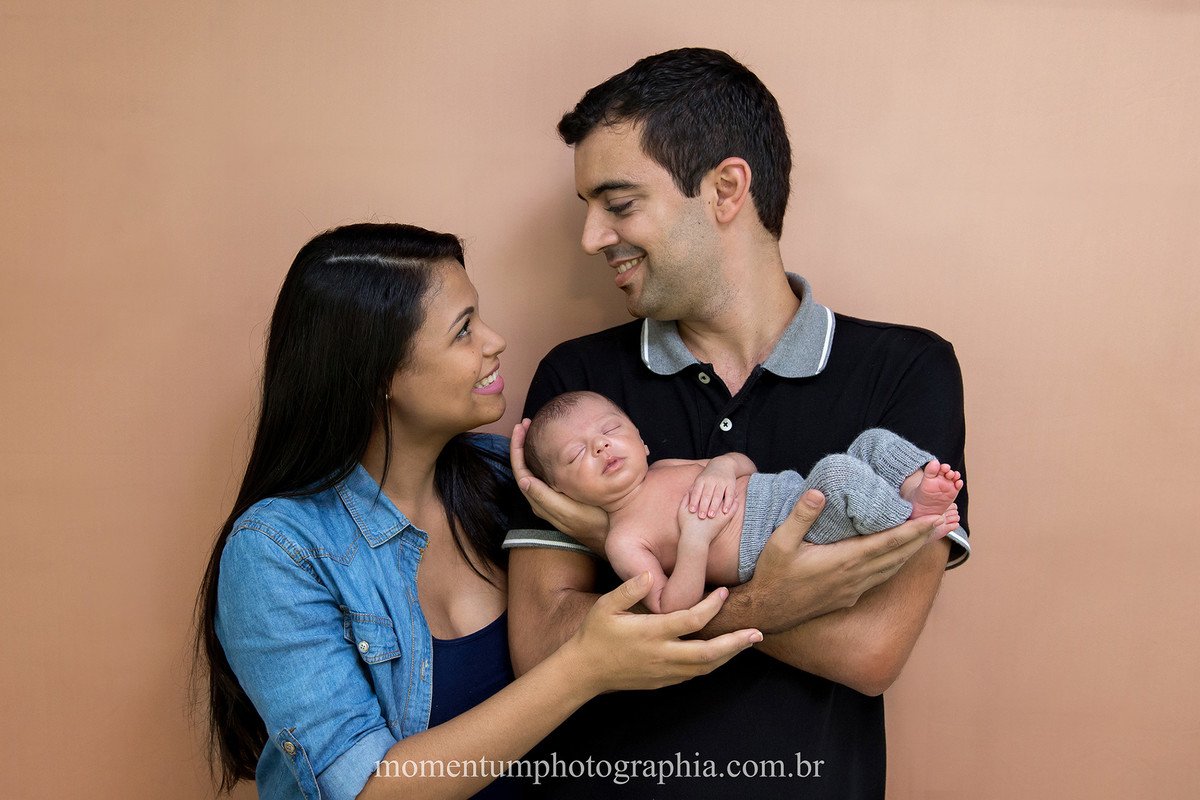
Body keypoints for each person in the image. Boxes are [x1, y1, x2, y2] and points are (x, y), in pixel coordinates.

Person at [503, 48, 970, 798]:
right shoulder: (579, 389)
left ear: (726, 189)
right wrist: (776, 604)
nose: (592, 238)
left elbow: (871, 650)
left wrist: (609, 545)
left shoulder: (905, 370)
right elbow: (544, 645)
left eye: (619, 205)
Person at [192, 223, 764, 800]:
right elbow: (366, 791)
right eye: (464, 330)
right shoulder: (276, 552)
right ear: (380, 377)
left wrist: (604, 526)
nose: (495, 341)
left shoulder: (508, 484)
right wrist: (584, 668)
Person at [521, 390, 962, 613]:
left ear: (639, 438)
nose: (600, 445)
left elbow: (744, 464)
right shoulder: (623, 537)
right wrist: (694, 541)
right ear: (561, 491)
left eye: (610, 429)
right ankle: (909, 523)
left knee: (872, 443)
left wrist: (719, 467)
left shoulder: (669, 466)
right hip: (788, 540)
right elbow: (669, 608)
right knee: (840, 473)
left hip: (793, 493)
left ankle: (911, 491)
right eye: (577, 453)